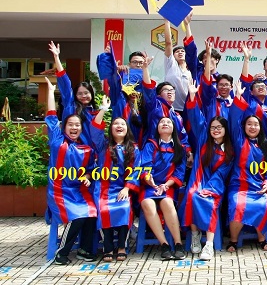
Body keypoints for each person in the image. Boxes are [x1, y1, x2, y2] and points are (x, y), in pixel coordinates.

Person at [45, 77, 98, 265]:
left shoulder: (87, 150)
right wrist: (50, 91)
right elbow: (51, 116)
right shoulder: (57, 140)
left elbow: (92, 170)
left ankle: (84, 249)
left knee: (92, 212)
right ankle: (61, 253)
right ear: (64, 127)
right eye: (71, 124)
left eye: (77, 125)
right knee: (78, 215)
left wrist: (87, 176)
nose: (74, 127)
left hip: (78, 190)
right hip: (59, 191)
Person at [182, 82, 233, 260]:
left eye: (219, 127)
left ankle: (209, 244)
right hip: (199, 177)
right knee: (191, 195)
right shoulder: (204, 138)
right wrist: (192, 96)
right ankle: (195, 235)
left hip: (216, 183)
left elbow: (222, 174)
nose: (215, 130)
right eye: (213, 127)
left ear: (225, 129)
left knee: (207, 200)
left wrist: (209, 189)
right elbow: (196, 118)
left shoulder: (230, 149)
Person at [226, 81, 267, 252]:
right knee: (237, 204)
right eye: (249, 124)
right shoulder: (238, 140)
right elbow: (233, 119)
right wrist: (238, 96)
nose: (253, 127)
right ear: (244, 127)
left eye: (256, 124)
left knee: (262, 205)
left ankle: (262, 238)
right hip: (238, 185)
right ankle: (233, 240)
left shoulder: (266, 146)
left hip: (258, 186)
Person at [91, 115, 141, 262]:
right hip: (103, 189)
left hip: (123, 188)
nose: (119, 126)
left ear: (127, 129)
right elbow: (95, 129)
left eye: (122, 124)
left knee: (125, 208)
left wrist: (127, 188)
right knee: (103, 210)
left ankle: (121, 246)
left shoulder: (133, 149)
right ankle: (107, 247)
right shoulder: (103, 145)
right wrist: (103, 110)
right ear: (111, 129)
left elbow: (136, 170)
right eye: (116, 124)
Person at [139, 116, 187, 260]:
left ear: (173, 128)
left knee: (167, 202)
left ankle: (178, 244)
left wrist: (166, 185)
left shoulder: (180, 149)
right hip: (150, 186)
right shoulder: (150, 145)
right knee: (147, 203)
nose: (165, 123)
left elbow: (180, 173)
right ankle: (164, 244)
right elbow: (145, 166)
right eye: (161, 122)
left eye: (168, 122)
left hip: (168, 186)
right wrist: (150, 181)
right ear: (157, 128)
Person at [49, 41, 97, 145]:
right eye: (80, 93)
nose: (83, 96)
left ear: (91, 94)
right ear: (75, 95)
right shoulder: (70, 107)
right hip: (70, 149)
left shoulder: (95, 112)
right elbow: (66, 85)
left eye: (86, 93)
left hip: (88, 152)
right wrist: (56, 58)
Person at [162, 18, 193, 114]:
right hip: (171, 108)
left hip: (187, 110)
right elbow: (168, 43)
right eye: (177, 52)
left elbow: (191, 47)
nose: (180, 53)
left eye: (182, 51)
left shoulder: (191, 71)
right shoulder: (171, 65)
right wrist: (167, 22)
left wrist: (187, 25)